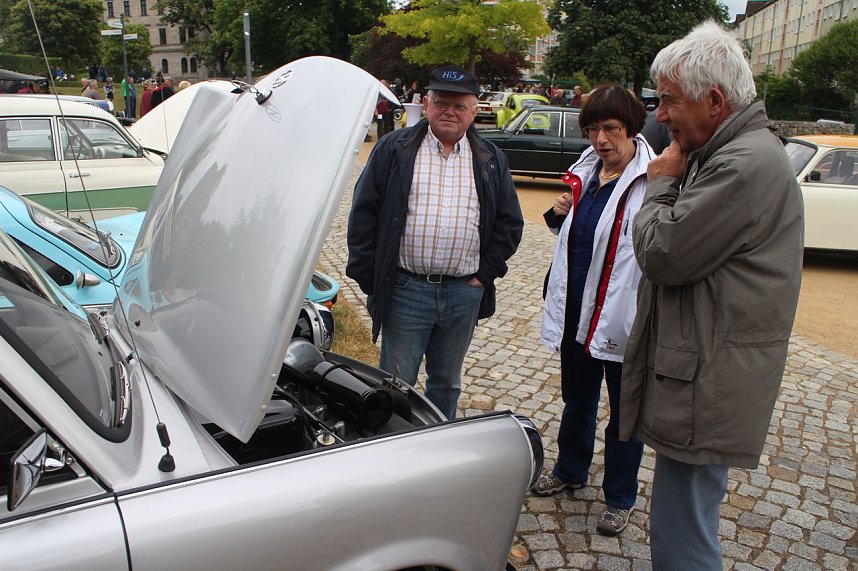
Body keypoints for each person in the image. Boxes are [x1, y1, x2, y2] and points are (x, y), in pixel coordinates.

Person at [619, 21, 803, 570]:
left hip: (708, 379)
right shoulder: (730, 152)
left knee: (683, 531)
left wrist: (659, 183)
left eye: (669, 100)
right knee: (684, 516)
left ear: (715, 101)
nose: (660, 116)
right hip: (703, 372)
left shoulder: (741, 164)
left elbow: (663, 254)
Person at [346, 65, 523, 420]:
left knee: (446, 383)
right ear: (426, 105)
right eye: (441, 103)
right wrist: (371, 277)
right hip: (405, 290)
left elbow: (509, 223)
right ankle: (395, 442)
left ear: (474, 112)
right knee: (396, 382)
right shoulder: (394, 149)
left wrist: (483, 275)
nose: (449, 112)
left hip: (463, 294)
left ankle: (439, 443)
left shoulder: (490, 159)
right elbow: (364, 213)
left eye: (460, 106)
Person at [533, 85, 653, 537]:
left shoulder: (653, 181)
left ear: (631, 128)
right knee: (578, 398)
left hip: (623, 315)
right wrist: (559, 211)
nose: (601, 139)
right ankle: (570, 469)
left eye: (611, 128)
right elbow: (577, 236)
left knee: (625, 412)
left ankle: (620, 498)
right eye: (593, 129)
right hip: (576, 310)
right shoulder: (586, 172)